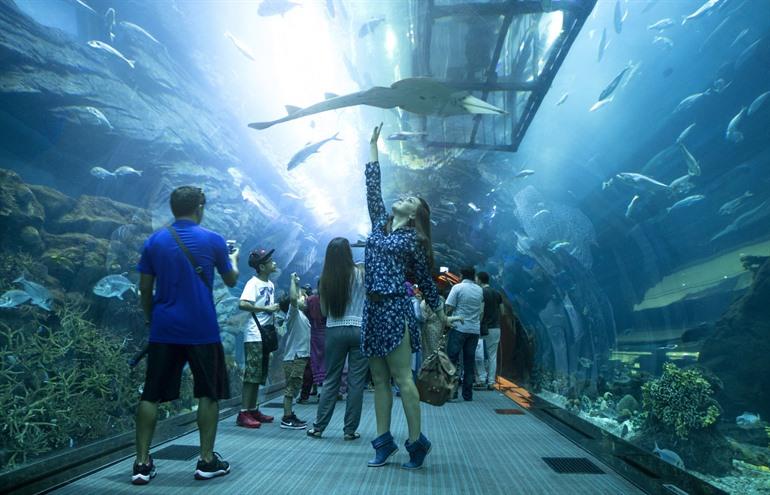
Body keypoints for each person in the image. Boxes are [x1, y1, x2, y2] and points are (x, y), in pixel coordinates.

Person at [133, 186, 238, 484]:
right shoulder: (213, 240)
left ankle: (141, 464)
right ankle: (206, 460)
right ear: (200, 206)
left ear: (172, 207)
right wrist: (235, 258)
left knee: (150, 393)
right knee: (208, 392)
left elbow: (144, 288)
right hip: (202, 328)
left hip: (165, 328)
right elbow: (231, 280)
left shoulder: (155, 241)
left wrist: (152, 318)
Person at [362, 123, 445, 470]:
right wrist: (373, 147)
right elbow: (372, 188)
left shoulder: (413, 240)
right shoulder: (379, 222)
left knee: (402, 379)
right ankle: (383, 443)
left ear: (414, 214)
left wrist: (440, 311)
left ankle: (416, 442)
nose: (403, 197)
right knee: (379, 380)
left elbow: (426, 279)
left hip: (396, 308)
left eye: (410, 200)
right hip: (371, 309)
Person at [306, 237, 369, 440]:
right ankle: (350, 430)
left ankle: (319, 427)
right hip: (359, 328)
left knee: (331, 379)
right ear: (349, 253)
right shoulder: (361, 274)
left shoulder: (326, 279)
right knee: (356, 382)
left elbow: (324, 311)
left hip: (334, 329)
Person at [236, 248, 280, 429]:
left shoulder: (270, 284)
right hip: (254, 334)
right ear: (262, 266)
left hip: (265, 334)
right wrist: (266, 310)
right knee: (251, 375)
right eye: (270, 261)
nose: (274, 262)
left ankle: (253, 409)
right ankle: (243, 412)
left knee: (259, 374)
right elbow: (242, 303)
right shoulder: (252, 283)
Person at [445, 266, 484, 402]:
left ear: (461, 275)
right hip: (473, 330)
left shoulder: (458, 288)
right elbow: (481, 311)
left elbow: (449, 306)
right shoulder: (479, 290)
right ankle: (467, 395)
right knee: (469, 362)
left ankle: (452, 392)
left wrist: (446, 319)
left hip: (459, 328)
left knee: (452, 360)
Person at [280, 273, 311, 429]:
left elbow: (296, 297)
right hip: (295, 357)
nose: (304, 298)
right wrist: (292, 281)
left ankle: (290, 414)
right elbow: (293, 299)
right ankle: (286, 417)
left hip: (300, 357)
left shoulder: (301, 315)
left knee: (295, 387)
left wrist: (298, 286)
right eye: (301, 298)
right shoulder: (294, 314)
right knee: (291, 388)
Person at [474, 271, 504, 390]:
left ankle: (481, 378)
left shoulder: (480, 292)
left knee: (478, 354)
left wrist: (479, 322)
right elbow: (502, 311)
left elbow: (480, 311)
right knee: (492, 355)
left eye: (476, 279)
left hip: (483, 327)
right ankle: (491, 382)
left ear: (480, 280)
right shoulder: (497, 293)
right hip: (496, 328)